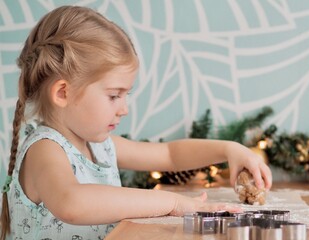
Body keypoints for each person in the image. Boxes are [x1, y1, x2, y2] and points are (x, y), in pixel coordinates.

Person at [0, 5, 272, 240]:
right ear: (63, 93)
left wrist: (228, 149)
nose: (124, 109)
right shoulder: (44, 150)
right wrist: (173, 203)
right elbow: (71, 202)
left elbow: (170, 154)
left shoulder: (101, 146)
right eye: (114, 96)